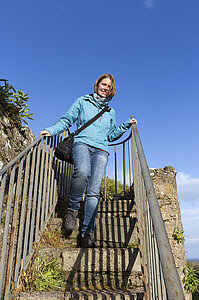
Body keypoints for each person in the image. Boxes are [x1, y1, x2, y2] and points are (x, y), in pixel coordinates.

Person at [40, 73, 137, 248]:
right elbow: (67, 120)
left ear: (111, 90)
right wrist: (52, 130)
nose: (105, 88)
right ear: (97, 85)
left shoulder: (110, 112)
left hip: (101, 150)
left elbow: (112, 134)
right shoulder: (82, 101)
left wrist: (125, 126)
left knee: (93, 191)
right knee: (82, 172)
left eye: (108, 86)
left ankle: (87, 233)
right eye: (103, 84)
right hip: (82, 143)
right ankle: (72, 209)